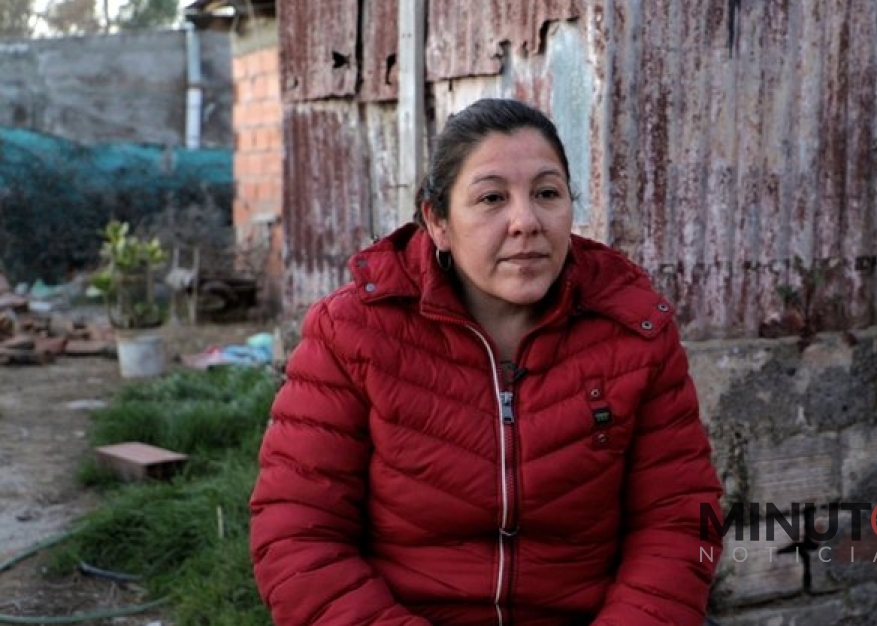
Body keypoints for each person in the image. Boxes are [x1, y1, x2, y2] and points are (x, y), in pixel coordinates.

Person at [250, 98, 723, 626]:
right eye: (492, 198)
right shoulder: (354, 332)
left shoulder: (634, 330)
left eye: (547, 193)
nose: (526, 222)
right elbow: (297, 534)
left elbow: (685, 519)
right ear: (437, 222)